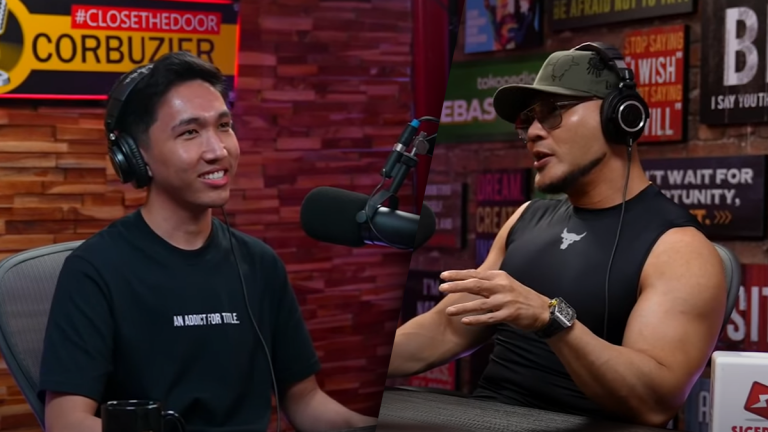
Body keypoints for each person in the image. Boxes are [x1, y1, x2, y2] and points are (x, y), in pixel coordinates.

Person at [387, 44, 726, 427]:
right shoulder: (527, 218)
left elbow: (653, 403)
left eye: (553, 112)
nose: (533, 132)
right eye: (529, 119)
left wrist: (551, 319)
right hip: (486, 418)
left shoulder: (678, 249)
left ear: (620, 116)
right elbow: (444, 329)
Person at [38, 51, 377, 432]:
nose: (218, 151)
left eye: (224, 126)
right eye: (190, 132)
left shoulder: (259, 263)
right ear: (136, 155)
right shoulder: (95, 270)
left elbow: (305, 400)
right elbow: (66, 422)